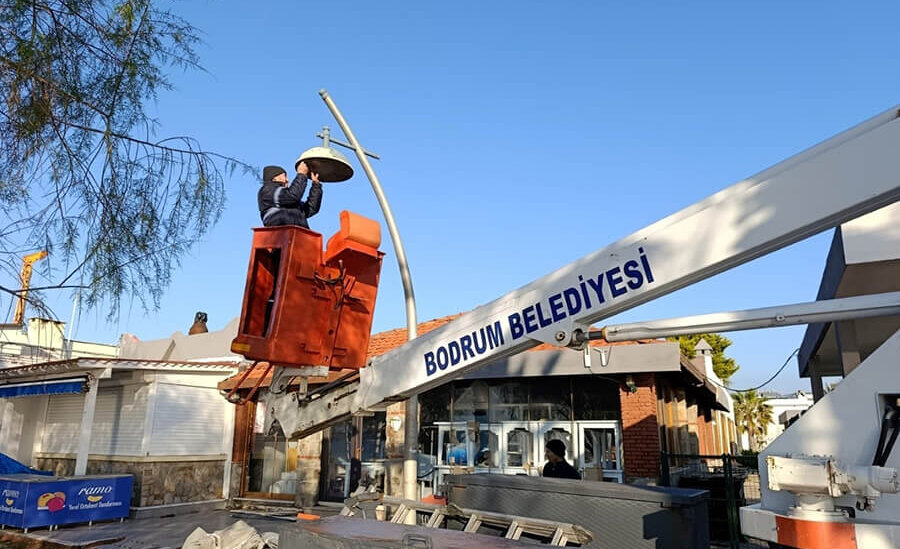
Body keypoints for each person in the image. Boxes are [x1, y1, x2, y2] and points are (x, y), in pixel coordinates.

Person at [257, 162, 322, 228]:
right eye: (284, 176)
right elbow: (293, 195)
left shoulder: (287, 200)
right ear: (274, 178)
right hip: (281, 234)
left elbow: (311, 209)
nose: (287, 180)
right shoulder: (268, 190)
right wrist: (301, 174)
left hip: (298, 234)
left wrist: (316, 186)